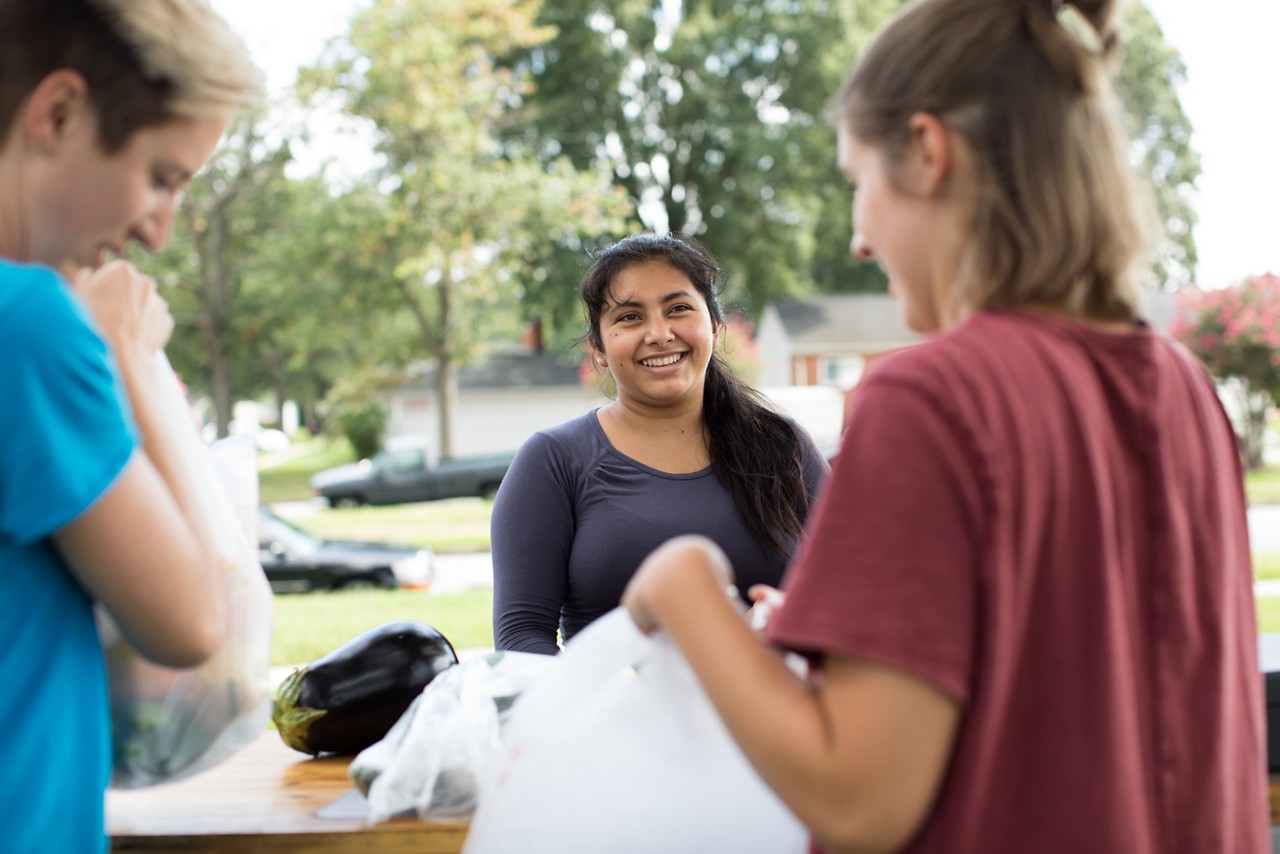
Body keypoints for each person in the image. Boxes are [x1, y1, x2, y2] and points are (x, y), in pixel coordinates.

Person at [621, 1, 1269, 852]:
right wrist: (847, 638)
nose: (858, 237)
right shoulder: (1183, 385)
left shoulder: (932, 398)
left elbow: (858, 802)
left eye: (860, 182)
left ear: (927, 153)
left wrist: (682, 588)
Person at [0, 1, 262, 851]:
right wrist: (129, 359)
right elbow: (193, 629)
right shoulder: (29, 323)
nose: (158, 228)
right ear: (58, 114)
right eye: (161, 177)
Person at [491, 233, 829, 654]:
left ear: (716, 326)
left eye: (679, 309)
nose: (659, 333)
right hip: (615, 719)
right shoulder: (553, 462)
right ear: (597, 348)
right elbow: (522, 638)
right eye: (630, 317)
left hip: (774, 715)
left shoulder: (782, 446)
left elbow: (854, 590)